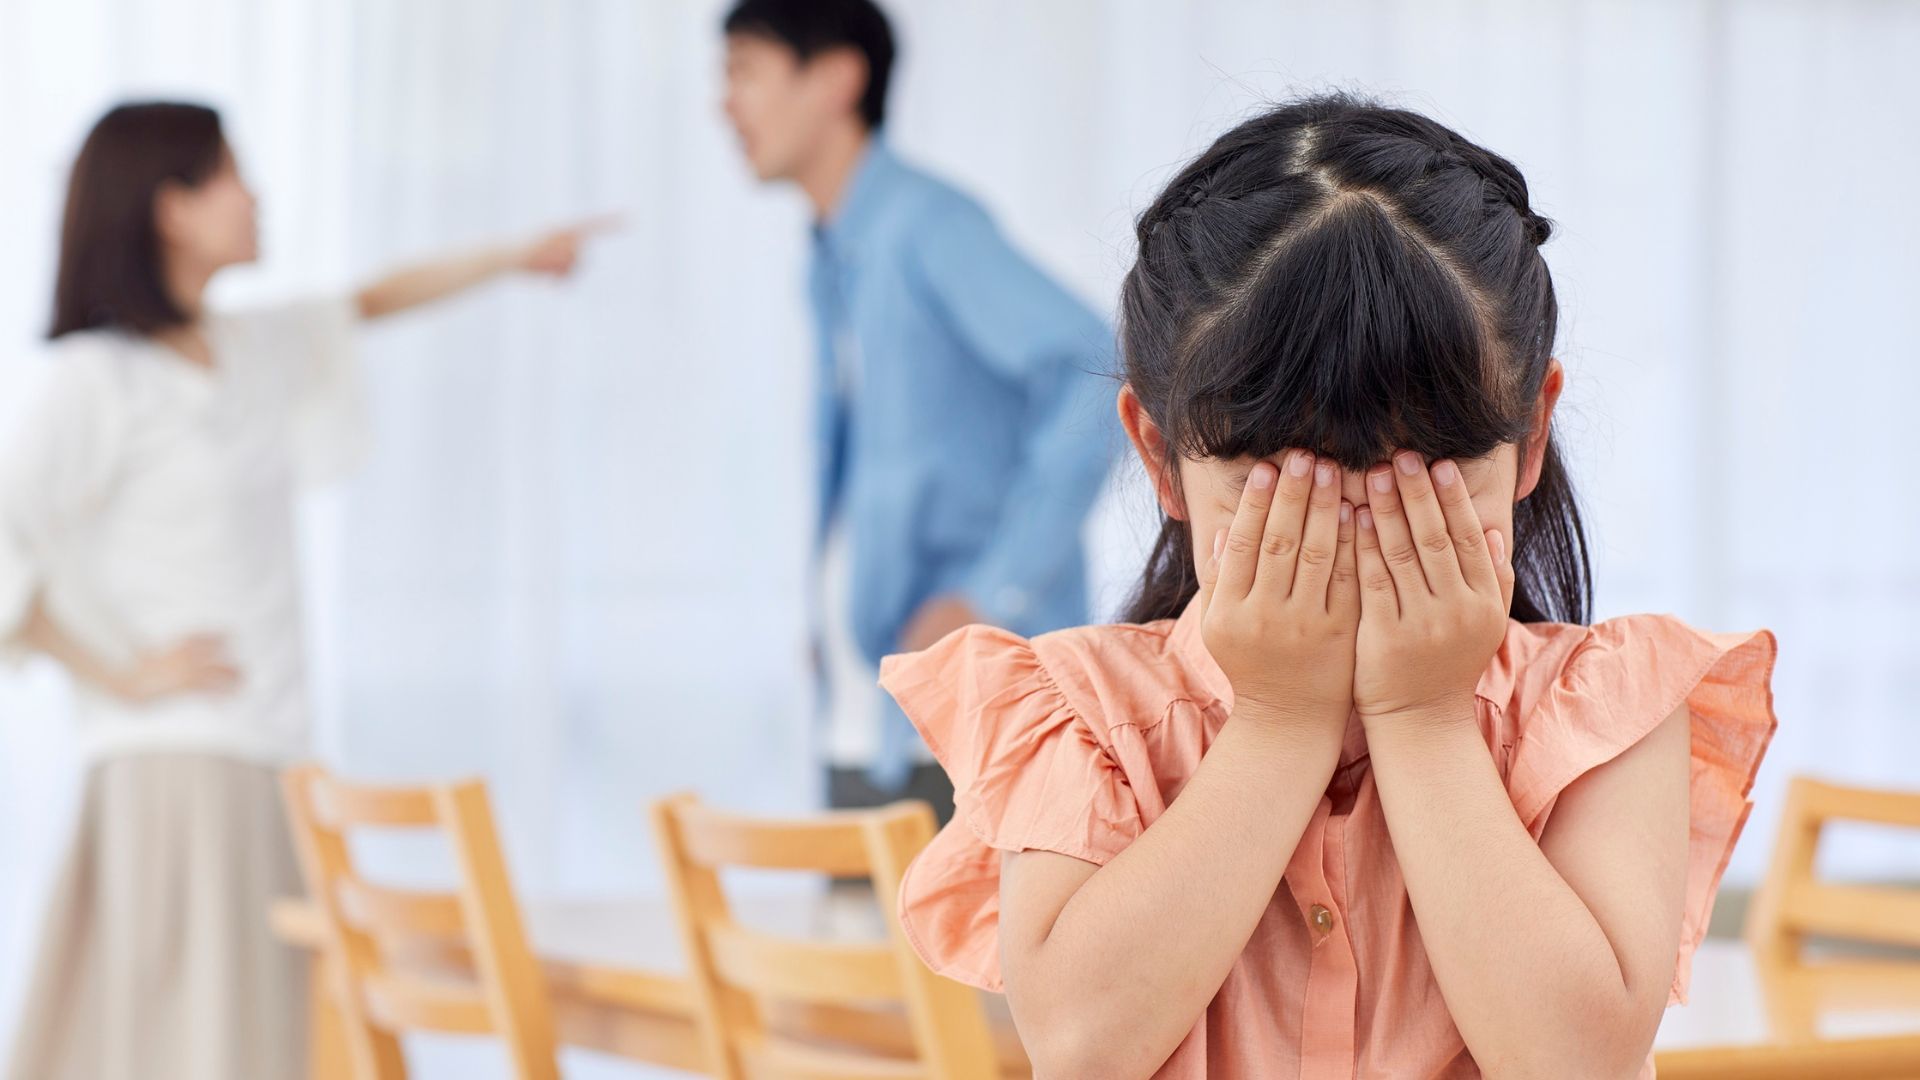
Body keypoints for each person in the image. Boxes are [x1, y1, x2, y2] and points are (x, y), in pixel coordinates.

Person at [878, 95, 1778, 1078]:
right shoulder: (1077, 712)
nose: (1353, 526)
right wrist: (1278, 722)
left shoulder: (1605, 713)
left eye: (1424, 465)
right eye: (1282, 474)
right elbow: (1081, 1047)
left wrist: (1425, 718)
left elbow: (1576, 1061)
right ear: (1161, 458)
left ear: (1528, 442)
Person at [0, 101, 609, 1080]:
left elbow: (372, 300)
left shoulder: (249, 351)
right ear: (172, 207)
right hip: (173, 772)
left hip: (271, 762)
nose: (257, 196)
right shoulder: (96, 381)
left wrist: (511, 257)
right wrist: (118, 670)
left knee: (277, 1039)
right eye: (233, 175)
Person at [720, 0, 1115, 817]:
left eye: (744, 71)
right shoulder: (835, 253)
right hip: (870, 715)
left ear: (835, 79)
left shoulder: (922, 228)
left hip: (969, 707)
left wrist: (990, 594)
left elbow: (1100, 369)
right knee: (849, 937)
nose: (724, 104)